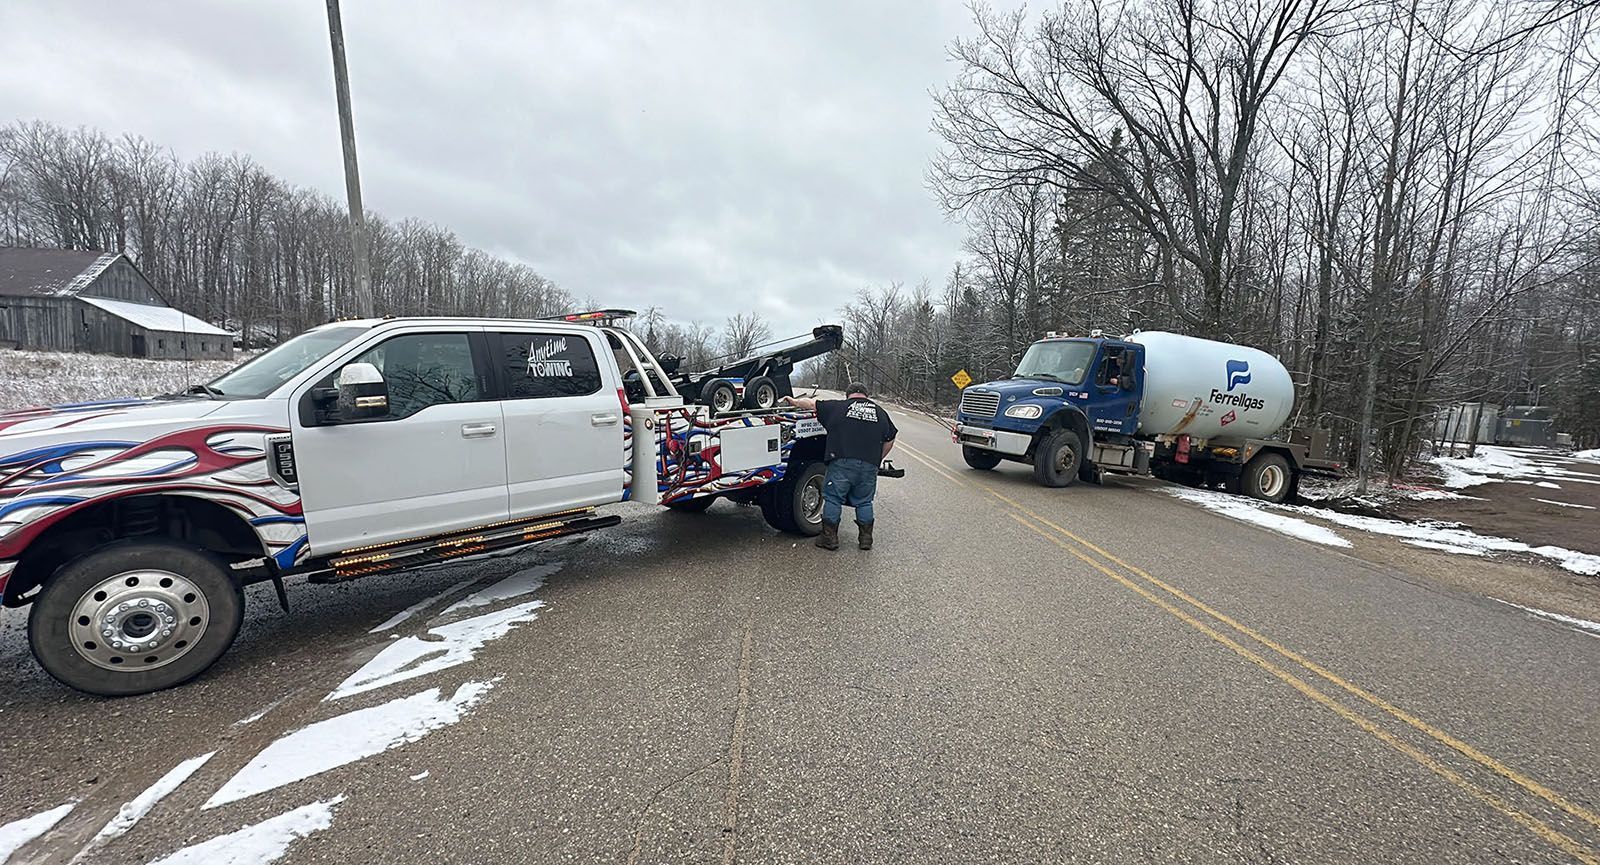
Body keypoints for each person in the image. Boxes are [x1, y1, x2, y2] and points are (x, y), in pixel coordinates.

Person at [782, 383, 897, 551]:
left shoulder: (838, 407)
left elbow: (811, 404)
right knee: (864, 501)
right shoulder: (880, 412)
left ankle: (829, 539)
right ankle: (866, 539)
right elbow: (891, 438)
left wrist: (793, 401)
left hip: (842, 462)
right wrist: (877, 458)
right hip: (869, 465)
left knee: (833, 498)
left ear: (848, 395)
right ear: (866, 395)